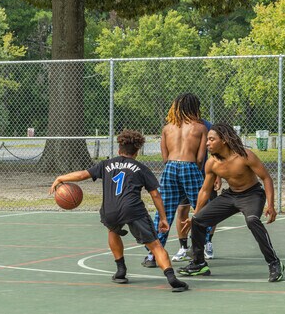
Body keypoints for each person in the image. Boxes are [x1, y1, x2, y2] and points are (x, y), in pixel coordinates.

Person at [49, 130, 188, 292]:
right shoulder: (141, 168)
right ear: (136, 152)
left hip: (110, 209)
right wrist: (163, 217)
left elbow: (82, 175)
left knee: (112, 231)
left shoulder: (105, 164)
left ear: (119, 149)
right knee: (155, 245)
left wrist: (61, 178)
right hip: (133, 209)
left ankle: (120, 270)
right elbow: (155, 194)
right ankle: (171, 278)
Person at [178, 123, 284, 282]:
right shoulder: (212, 163)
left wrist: (271, 205)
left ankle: (274, 263)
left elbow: (266, 178)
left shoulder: (245, 156)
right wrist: (195, 214)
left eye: (212, 139)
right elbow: (205, 191)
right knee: (198, 221)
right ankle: (199, 263)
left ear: (224, 140)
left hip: (252, 194)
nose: (207, 143)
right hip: (230, 195)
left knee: (252, 220)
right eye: (207, 140)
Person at [142, 93, 208, 268]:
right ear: (195, 108)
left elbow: (164, 157)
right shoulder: (200, 128)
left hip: (170, 168)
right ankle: (199, 250)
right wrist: (196, 172)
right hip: (190, 166)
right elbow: (201, 158)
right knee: (203, 209)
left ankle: (152, 255)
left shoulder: (167, 128)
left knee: (164, 212)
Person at [171, 118, 220, 262]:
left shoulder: (207, 126)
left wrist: (217, 174)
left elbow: (215, 151)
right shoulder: (176, 125)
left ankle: (207, 242)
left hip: (206, 175)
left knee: (209, 210)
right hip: (184, 175)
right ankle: (183, 247)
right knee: (182, 210)